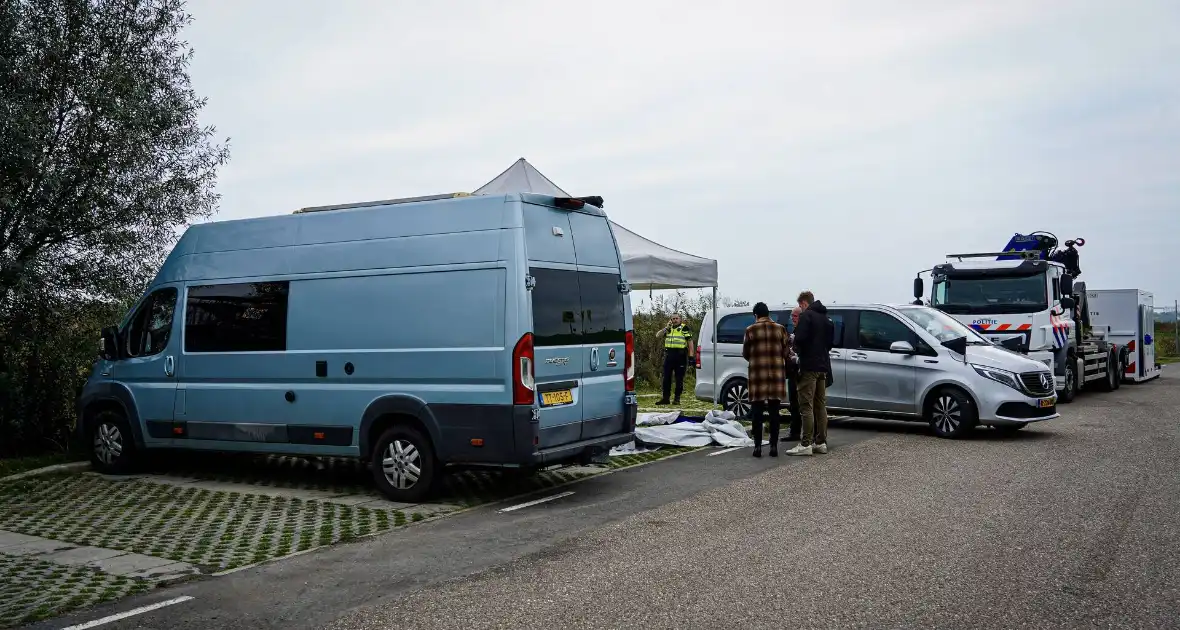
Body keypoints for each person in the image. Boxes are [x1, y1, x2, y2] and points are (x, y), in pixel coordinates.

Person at [787, 291, 834, 456]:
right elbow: (830, 343)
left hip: (809, 367)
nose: (801, 308)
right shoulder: (827, 319)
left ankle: (805, 443)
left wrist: (795, 350)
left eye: (801, 305)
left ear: (804, 303)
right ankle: (820, 442)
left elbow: (799, 339)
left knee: (806, 406)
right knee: (820, 406)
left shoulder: (807, 316)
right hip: (823, 367)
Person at [741, 302, 791, 457]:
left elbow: (745, 353)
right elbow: (786, 352)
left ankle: (757, 447)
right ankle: (774, 446)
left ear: (756, 315)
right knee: (774, 412)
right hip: (776, 376)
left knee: (757, 412)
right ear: (768, 313)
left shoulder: (750, 330)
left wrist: (756, 359)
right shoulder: (780, 329)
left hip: (757, 376)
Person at [655, 314, 694, 406]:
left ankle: (677, 399)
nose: (675, 320)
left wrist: (691, 356)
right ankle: (666, 398)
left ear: (680, 319)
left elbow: (690, 342)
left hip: (680, 355)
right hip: (669, 354)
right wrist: (666, 328)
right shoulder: (669, 328)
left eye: (677, 318)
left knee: (679, 378)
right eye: (673, 319)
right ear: (670, 320)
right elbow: (657, 335)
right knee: (666, 378)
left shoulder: (684, 328)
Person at [782, 306, 803, 442]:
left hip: (800, 371)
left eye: (795, 316)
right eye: (791, 316)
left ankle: (800, 432)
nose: (792, 319)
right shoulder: (795, 331)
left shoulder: (803, 331)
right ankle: (794, 431)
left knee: (800, 403)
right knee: (793, 403)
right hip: (792, 371)